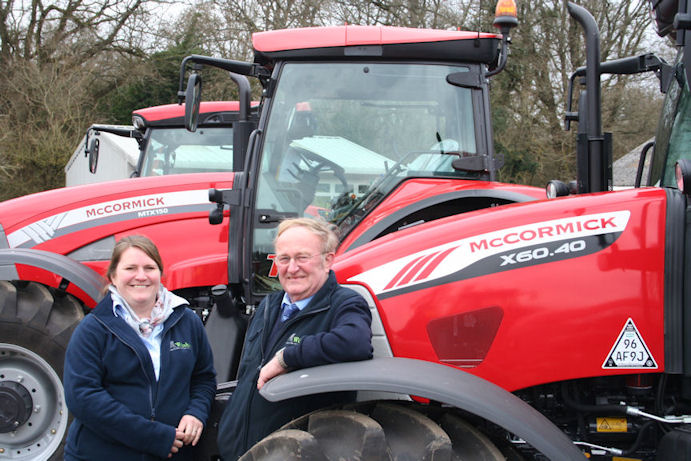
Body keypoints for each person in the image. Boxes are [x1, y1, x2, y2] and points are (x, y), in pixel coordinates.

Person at [217, 218, 373, 460]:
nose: (291, 268)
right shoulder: (268, 306)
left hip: (296, 453)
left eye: (302, 257)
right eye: (284, 258)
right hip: (242, 451)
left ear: (328, 259)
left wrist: (287, 358)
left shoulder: (345, 303)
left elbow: (355, 342)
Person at [63, 235, 216, 461]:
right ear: (113, 276)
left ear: (160, 274)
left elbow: (203, 379)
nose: (141, 276)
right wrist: (152, 436)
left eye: (149, 267)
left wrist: (196, 413)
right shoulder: (94, 329)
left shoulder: (186, 322)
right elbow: (82, 397)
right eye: (130, 268)